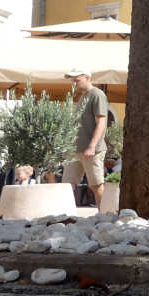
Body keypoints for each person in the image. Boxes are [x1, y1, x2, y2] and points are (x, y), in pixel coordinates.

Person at [61, 68, 109, 207]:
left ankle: (103, 214)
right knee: (67, 185)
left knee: (96, 185)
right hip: (75, 149)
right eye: (73, 81)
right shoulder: (83, 96)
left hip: (92, 149)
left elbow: (102, 122)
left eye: (77, 80)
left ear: (87, 78)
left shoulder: (97, 94)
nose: (74, 84)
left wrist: (92, 146)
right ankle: (66, 215)